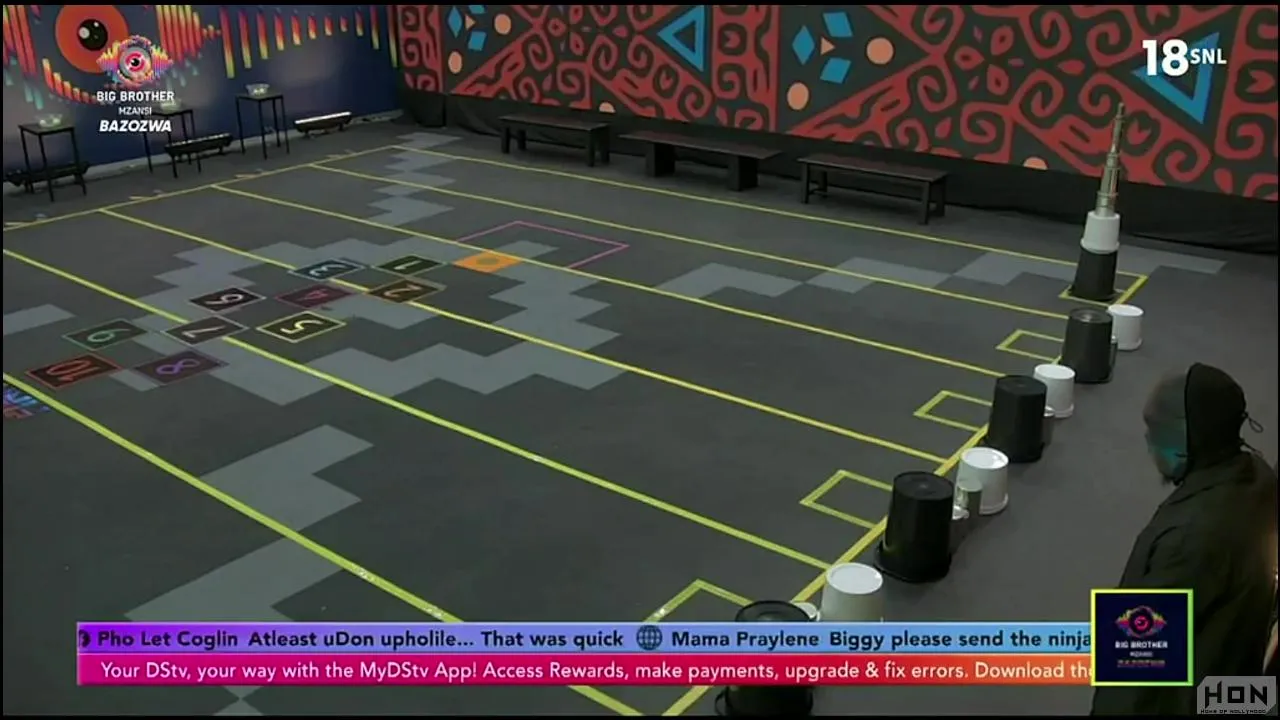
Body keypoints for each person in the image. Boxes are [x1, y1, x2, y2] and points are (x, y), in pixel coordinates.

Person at [1091, 363, 1277, 716]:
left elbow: (1134, 661)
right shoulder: (1257, 476)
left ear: (1192, 440)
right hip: (1232, 687)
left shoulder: (1191, 539)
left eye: (1158, 433)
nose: (1150, 443)